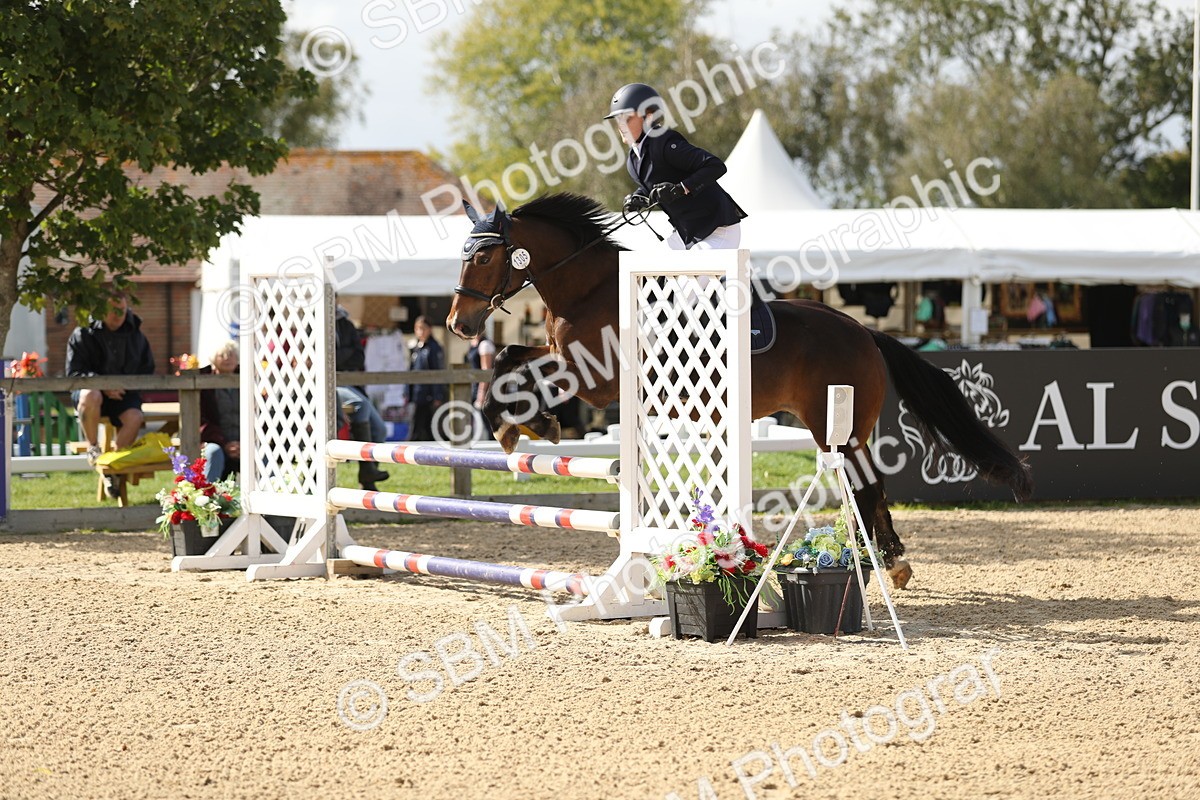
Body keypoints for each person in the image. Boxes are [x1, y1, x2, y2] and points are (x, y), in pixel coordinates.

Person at [605, 82, 746, 251]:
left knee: (689, 277)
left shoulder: (665, 142)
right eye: (618, 120)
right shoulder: (633, 160)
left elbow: (715, 166)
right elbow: (653, 185)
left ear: (649, 116)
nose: (621, 126)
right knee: (652, 272)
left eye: (627, 118)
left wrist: (681, 188)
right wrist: (638, 197)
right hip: (686, 233)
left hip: (717, 229)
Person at [65, 292, 155, 498]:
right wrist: (104, 386)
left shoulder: (136, 335)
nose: (118, 315)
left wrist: (123, 387)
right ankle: (93, 448)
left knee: (135, 418)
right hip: (92, 393)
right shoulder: (82, 334)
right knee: (91, 395)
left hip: (125, 394)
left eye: (121, 311)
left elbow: (147, 369)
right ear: (101, 311)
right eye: (113, 310)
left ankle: (112, 466)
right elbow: (74, 373)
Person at [335, 305, 390, 492]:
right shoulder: (311, 324)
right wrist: (345, 355)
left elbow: (358, 357)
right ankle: (367, 472)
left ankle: (368, 477)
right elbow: (329, 358)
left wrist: (341, 356)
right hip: (326, 383)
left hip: (350, 381)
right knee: (360, 405)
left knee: (380, 430)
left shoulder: (346, 325)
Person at [198, 341, 240, 483]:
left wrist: (245, 443)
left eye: (231, 354)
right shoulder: (203, 382)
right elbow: (202, 421)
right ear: (213, 359)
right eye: (222, 355)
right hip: (214, 441)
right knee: (213, 451)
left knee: (262, 452)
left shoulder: (250, 377)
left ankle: (272, 490)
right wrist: (224, 444)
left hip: (244, 441)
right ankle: (207, 498)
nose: (227, 358)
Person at [405, 316, 446, 441]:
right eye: (417, 329)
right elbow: (412, 371)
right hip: (417, 392)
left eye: (423, 328)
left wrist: (437, 395)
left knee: (419, 424)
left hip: (427, 393)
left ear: (430, 329)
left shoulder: (433, 348)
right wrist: (408, 392)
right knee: (426, 425)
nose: (420, 332)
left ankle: (410, 445)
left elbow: (437, 371)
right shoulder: (416, 348)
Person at [465, 331, 495, 437]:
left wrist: (481, 392)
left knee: (489, 425)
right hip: (474, 387)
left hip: (484, 389)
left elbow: (486, 371)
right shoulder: (473, 343)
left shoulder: (484, 344)